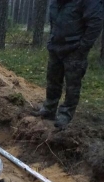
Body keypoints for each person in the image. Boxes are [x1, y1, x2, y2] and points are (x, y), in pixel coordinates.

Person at [31, 0, 103, 129]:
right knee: (52, 80)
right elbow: (54, 22)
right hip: (56, 46)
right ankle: (49, 108)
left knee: (72, 85)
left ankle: (65, 114)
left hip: (75, 49)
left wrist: (83, 47)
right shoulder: (55, 2)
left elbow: (95, 23)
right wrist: (52, 40)